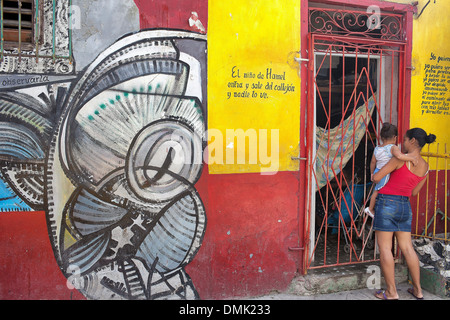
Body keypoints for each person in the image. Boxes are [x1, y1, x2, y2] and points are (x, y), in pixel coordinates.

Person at [372, 127, 436, 300]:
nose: (403, 143)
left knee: (385, 248)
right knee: (408, 248)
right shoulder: (425, 166)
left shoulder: (399, 159)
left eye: (405, 140)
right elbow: (414, 193)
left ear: (412, 141)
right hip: (405, 207)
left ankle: (392, 292)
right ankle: (418, 290)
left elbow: (377, 178)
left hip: (387, 203)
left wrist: (375, 172)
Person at [365, 123, 417, 218]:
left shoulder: (377, 148)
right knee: (378, 191)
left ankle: (372, 208)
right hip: (384, 174)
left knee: (377, 190)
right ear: (395, 137)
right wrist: (412, 158)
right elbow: (399, 156)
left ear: (381, 137)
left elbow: (372, 162)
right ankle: (370, 209)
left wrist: (372, 173)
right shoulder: (393, 148)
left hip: (377, 171)